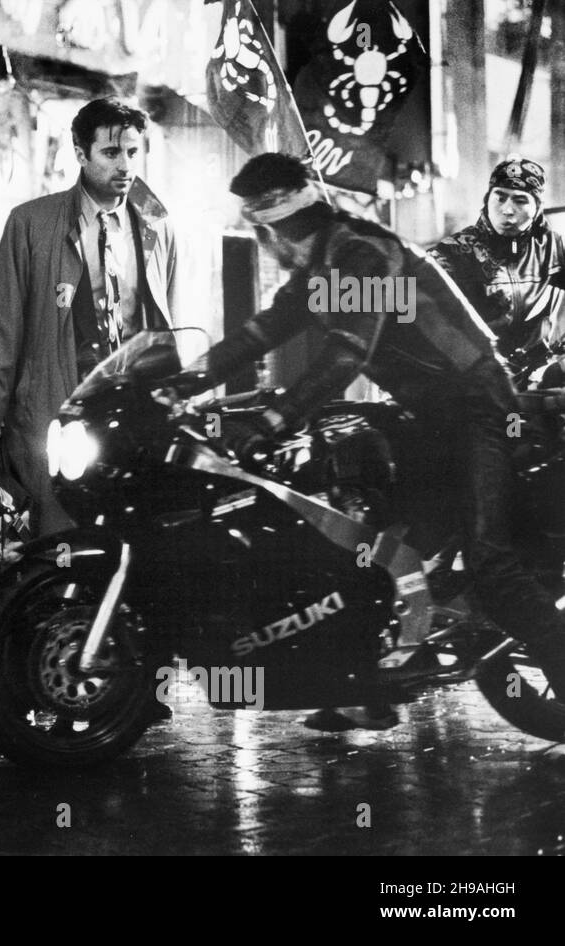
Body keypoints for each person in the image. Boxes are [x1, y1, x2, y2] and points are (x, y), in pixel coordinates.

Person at [161, 152, 565, 728]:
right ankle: (368, 688)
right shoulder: (323, 266)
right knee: (374, 547)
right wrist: (179, 381)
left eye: (262, 230)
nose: (266, 244)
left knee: (490, 566)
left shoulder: (362, 254)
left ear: (275, 226)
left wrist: (276, 421)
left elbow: (346, 353)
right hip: (429, 416)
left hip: (479, 411)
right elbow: (259, 333)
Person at [0, 97, 178, 537]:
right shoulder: (31, 223)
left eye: (132, 153)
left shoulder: (158, 229)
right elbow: (4, 322)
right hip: (57, 400)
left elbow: (168, 321)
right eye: (110, 153)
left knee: (134, 530)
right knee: (60, 533)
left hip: (133, 404)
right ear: (81, 154)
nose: (124, 166)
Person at [430, 157, 565, 380]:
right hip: (477, 380)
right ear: (487, 199)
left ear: (537, 207)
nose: (507, 210)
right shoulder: (453, 252)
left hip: (537, 376)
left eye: (521, 201)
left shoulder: (551, 247)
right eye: (500, 197)